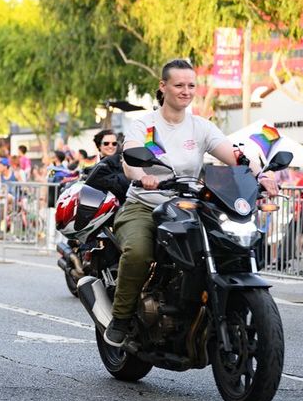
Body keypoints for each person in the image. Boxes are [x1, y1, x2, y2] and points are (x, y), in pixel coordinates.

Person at [104, 58, 277, 347]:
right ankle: (121, 318)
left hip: (188, 206)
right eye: (179, 85)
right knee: (138, 253)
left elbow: (235, 156)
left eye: (191, 85)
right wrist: (142, 176)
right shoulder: (145, 125)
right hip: (145, 205)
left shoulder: (201, 127)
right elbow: (130, 160)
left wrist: (262, 175)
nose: (186, 91)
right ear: (163, 86)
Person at [84, 129, 130, 204]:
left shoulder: (123, 162)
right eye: (106, 143)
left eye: (114, 144)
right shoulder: (94, 162)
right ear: (99, 145)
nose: (110, 146)